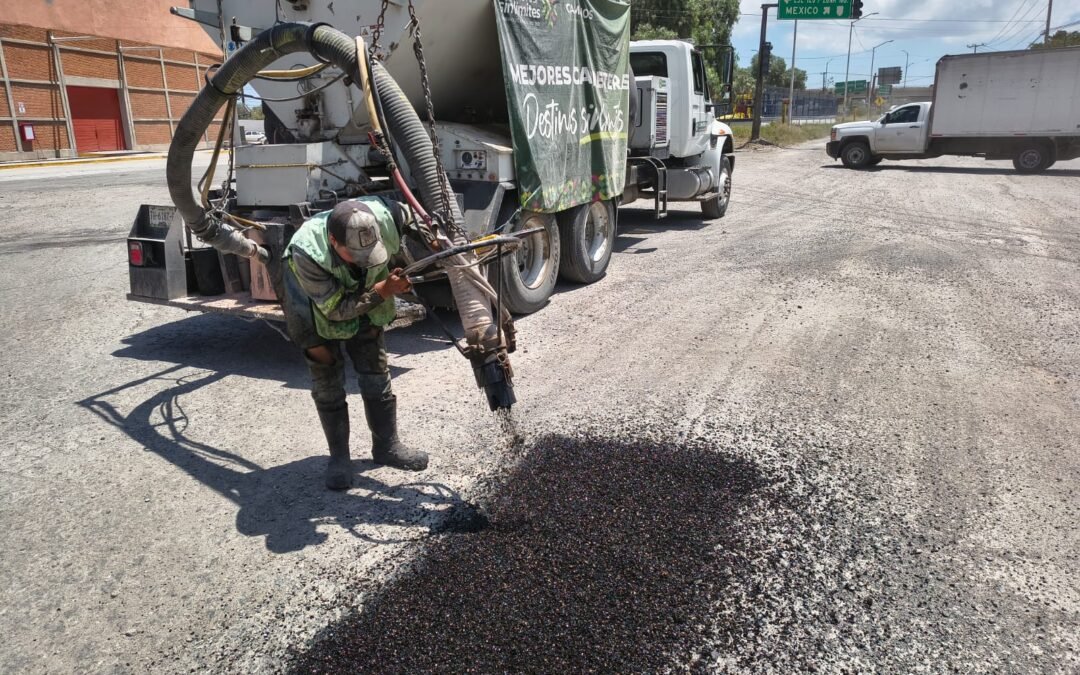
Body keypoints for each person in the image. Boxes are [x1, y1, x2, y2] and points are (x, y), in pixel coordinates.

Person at [282, 197, 428, 490]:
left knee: (374, 364)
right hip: (311, 303)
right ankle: (339, 458)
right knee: (326, 373)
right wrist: (383, 290)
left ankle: (386, 446)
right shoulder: (306, 253)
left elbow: (416, 216)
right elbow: (335, 309)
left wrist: (432, 240)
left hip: (364, 293)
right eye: (355, 255)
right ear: (333, 241)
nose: (363, 260)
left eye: (369, 253)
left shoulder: (385, 216)